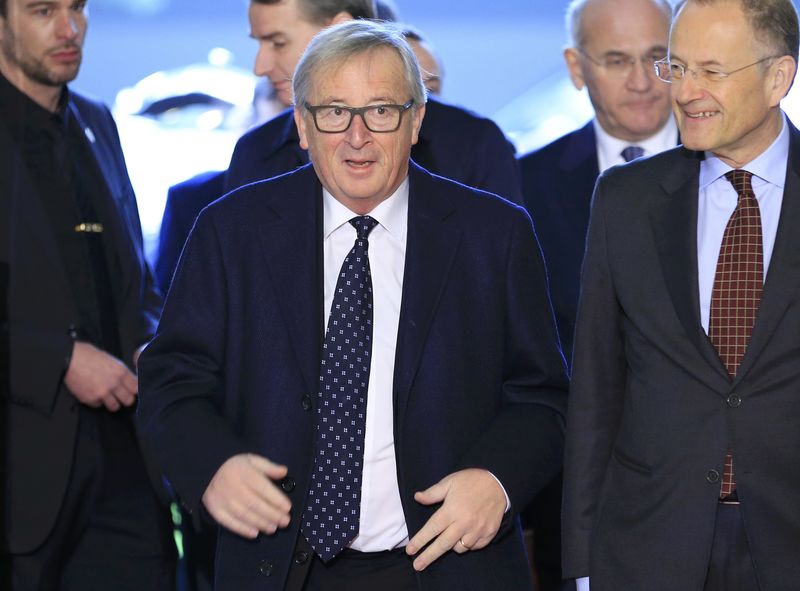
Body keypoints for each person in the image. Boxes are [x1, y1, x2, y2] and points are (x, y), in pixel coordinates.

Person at [138, 19, 567, 591]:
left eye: (381, 111)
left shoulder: (495, 235)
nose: (357, 137)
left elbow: (543, 397)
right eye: (334, 112)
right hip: (280, 566)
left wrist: (497, 479)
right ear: (301, 125)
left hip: (449, 563)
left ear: (416, 120)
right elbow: (171, 381)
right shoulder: (230, 231)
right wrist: (212, 464)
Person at [562, 0, 800, 589]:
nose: (684, 91)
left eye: (711, 71)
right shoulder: (625, 199)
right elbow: (596, 393)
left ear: (779, 78)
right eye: (678, 67)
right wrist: (582, 567)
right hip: (647, 545)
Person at [0, 0, 174, 589]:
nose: (69, 29)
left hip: (126, 458)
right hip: (23, 472)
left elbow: (136, 282)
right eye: (42, 10)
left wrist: (152, 345)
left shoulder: (100, 123)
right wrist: (60, 359)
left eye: (77, 8)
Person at [225, 0, 522, 199]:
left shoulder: (473, 146)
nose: (259, 66)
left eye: (278, 43)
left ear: (337, 29)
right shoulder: (255, 153)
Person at [519, 0, 676, 368]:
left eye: (658, 57)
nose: (642, 82)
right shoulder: (525, 185)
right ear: (576, 68)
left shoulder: (731, 167)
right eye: (618, 61)